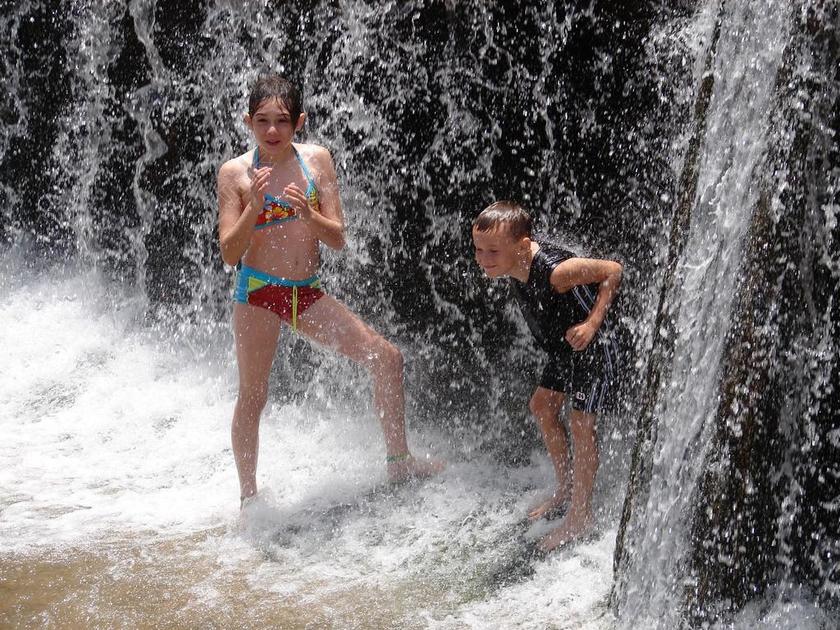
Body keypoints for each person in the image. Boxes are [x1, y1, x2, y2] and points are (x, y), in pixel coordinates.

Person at [217, 73, 442, 507]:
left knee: (387, 359)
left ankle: (399, 460)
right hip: (259, 292)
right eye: (262, 121)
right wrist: (257, 209)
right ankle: (248, 497)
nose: (272, 131)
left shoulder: (317, 161)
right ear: (247, 121)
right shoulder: (235, 174)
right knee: (253, 395)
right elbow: (230, 252)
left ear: (298, 122)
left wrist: (309, 215)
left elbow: (338, 237)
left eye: (282, 121)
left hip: (305, 292)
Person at [471, 201, 622, 552]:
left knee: (581, 422)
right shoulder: (513, 266)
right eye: (478, 249)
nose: (483, 258)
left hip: (595, 346)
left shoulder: (557, 272)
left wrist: (592, 323)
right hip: (565, 349)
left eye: (492, 250)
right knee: (542, 406)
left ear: (523, 246)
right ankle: (566, 488)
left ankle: (580, 516)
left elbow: (613, 270)